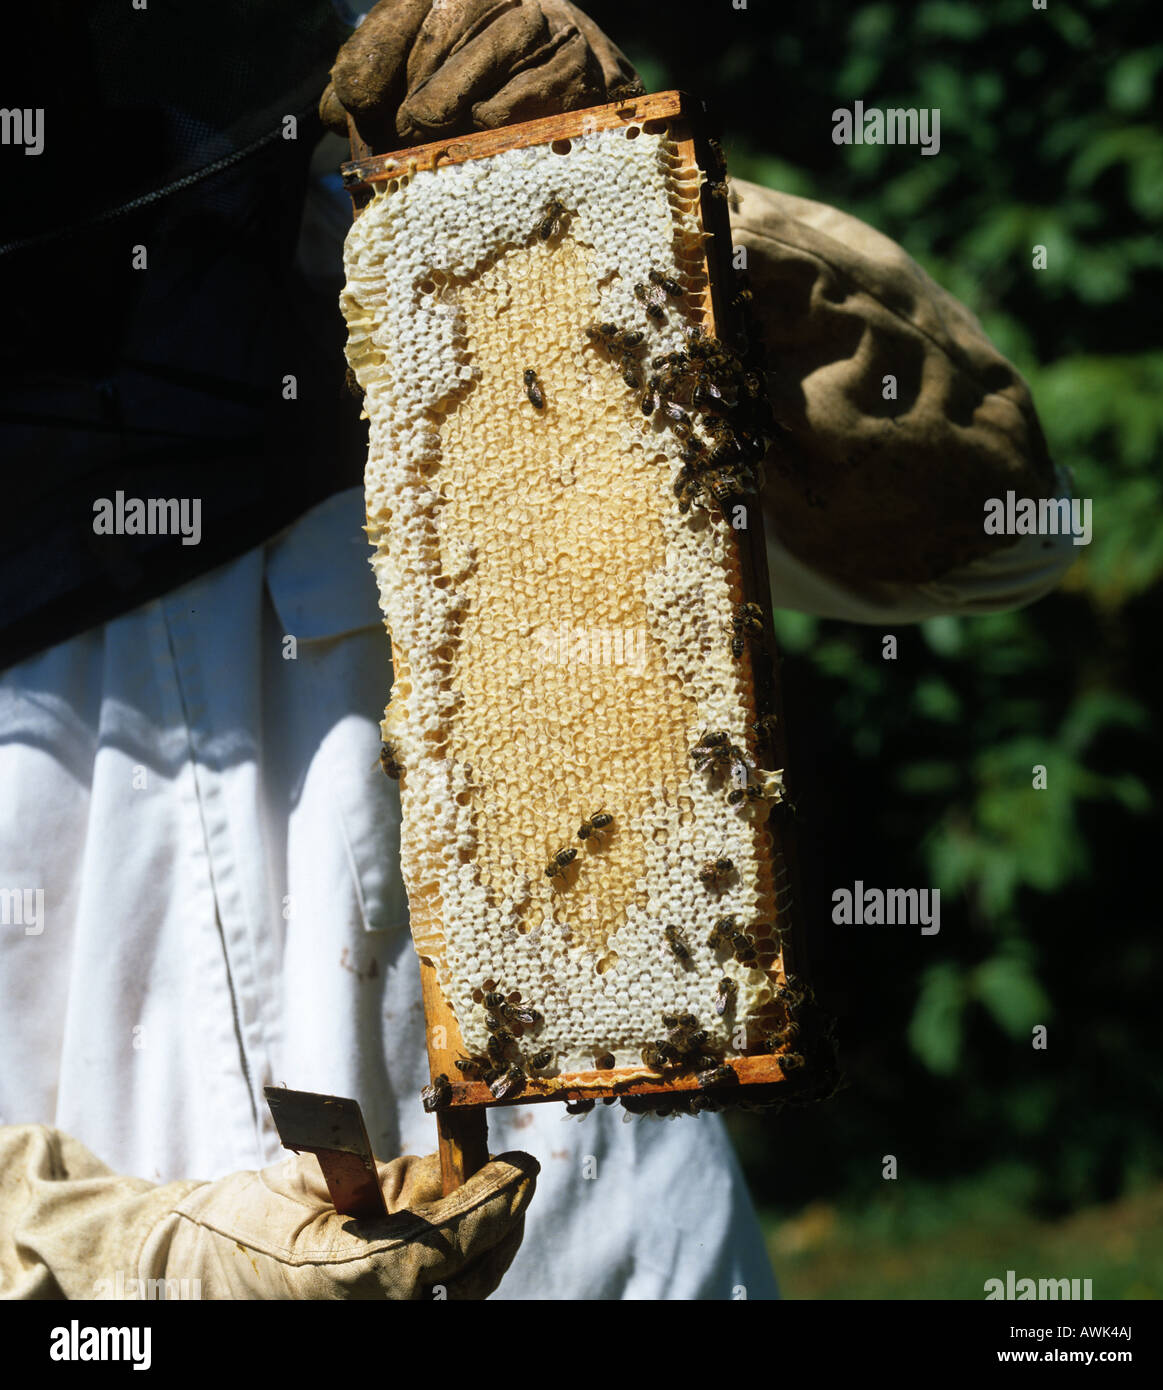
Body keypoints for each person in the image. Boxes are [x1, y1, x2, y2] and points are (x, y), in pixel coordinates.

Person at [0, 0, 1075, 1300]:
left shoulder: (419, 253)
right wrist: (120, 1263)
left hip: (612, 1252)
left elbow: (998, 538)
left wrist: (622, 209)